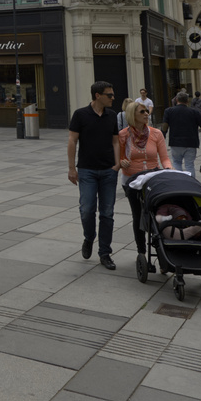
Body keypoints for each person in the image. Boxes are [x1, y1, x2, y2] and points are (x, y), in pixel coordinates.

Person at [68, 81, 121, 270]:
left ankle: (105, 252)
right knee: (87, 209)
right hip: (87, 170)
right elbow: (72, 141)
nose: (113, 98)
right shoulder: (80, 115)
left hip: (108, 171)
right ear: (98, 95)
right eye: (110, 95)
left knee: (107, 213)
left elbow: (116, 142)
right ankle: (89, 237)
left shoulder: (112, 116)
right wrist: (71, 168)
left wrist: (116, 165)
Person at [117, 99, 172, 260]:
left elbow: (165, 158)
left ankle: (161, 250)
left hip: (152, 180)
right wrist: (122, 162)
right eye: (142, 112)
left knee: (157, 216)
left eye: (147, 111)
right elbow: (119, 159)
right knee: (138, 215)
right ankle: (141, 250)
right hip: (132, 182)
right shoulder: (123, 135)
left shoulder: (156, 133)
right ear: (132, 115)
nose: (146, 114)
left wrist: (169, 169)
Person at [161, 91, 201, 177]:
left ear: (176, 100)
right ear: (187, 101)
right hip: (191, 143)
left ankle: (179, 183)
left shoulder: (169, 111)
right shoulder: (194, 112)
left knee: (177, 163)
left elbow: (164, 126)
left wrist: (161, 137)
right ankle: (191, 184)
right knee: (189, 165)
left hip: (175, 142)